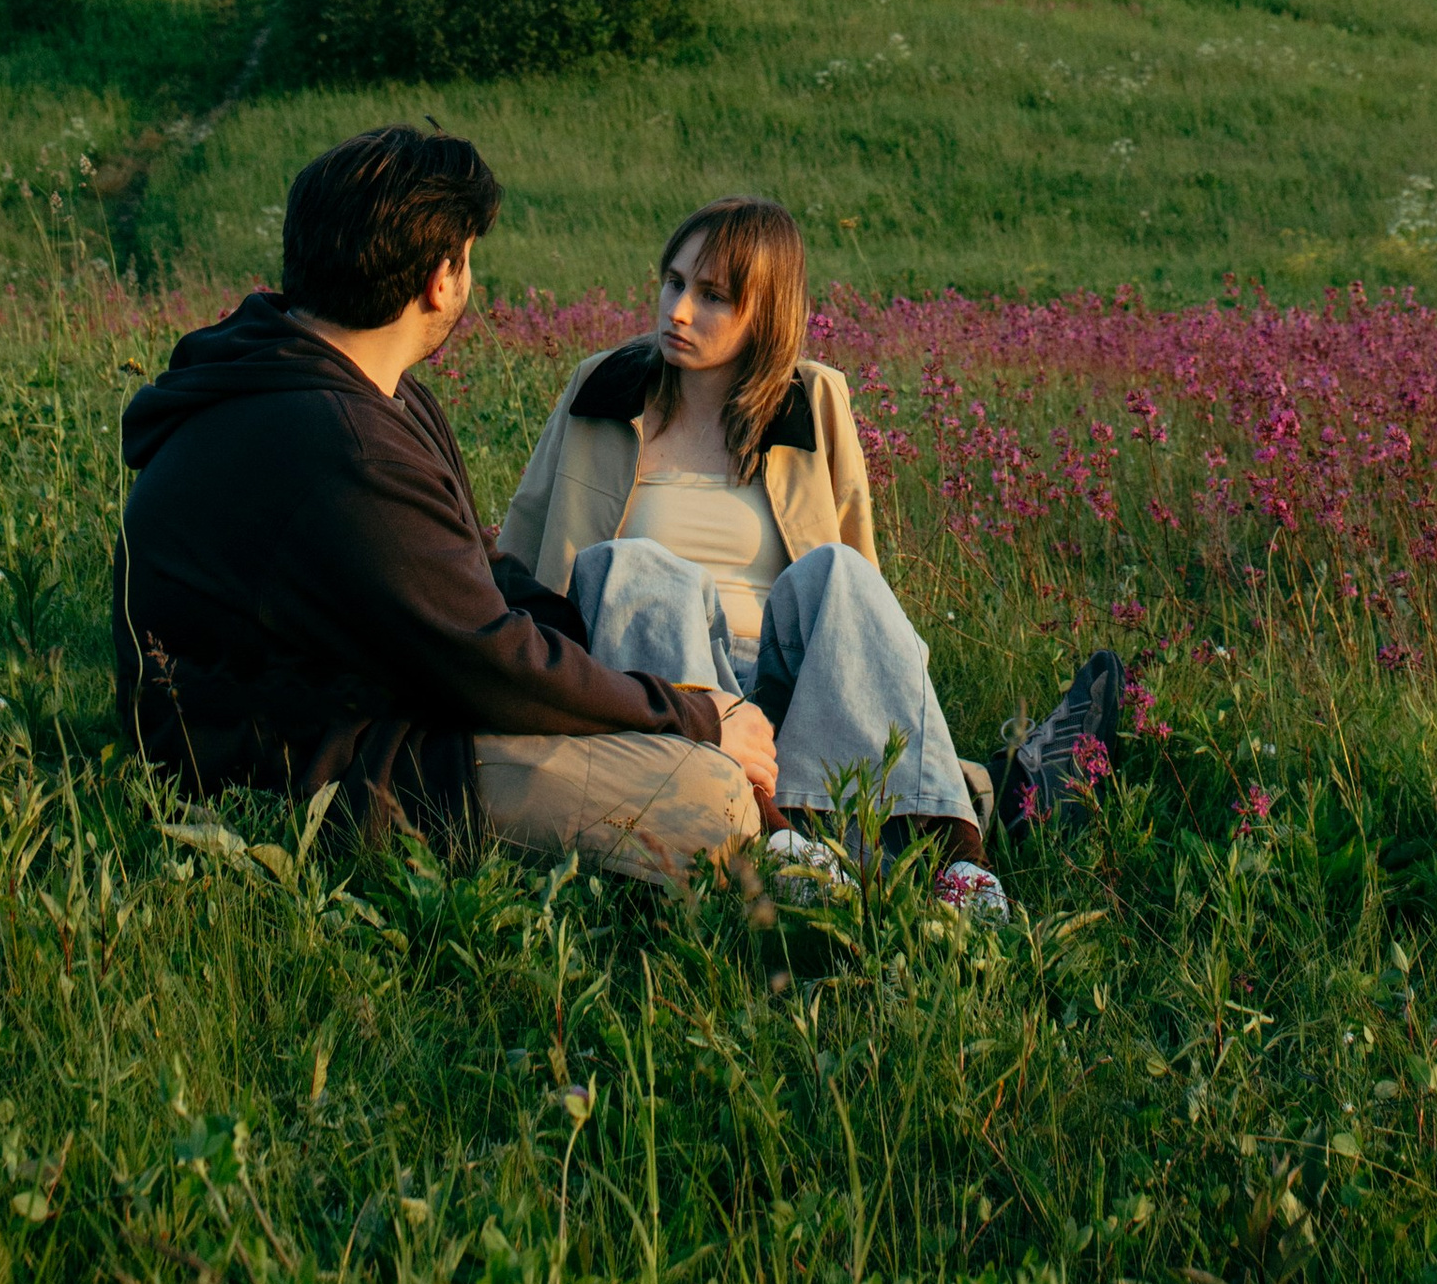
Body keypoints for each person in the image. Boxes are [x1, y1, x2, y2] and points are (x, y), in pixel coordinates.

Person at [112, 126, 772, 886]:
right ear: (440, 278)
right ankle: (799, 829)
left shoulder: (365, 390)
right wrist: (687, 717)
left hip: (385, 694)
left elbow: (485, 577)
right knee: (706, 796)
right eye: (467, 258)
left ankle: (838, 793)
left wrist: (636, 670)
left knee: (664, 653)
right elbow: (488, 660)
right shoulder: (342, 444)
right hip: (304, 758)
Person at [496, 197, 1011, 921]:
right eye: (673, 283)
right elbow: (521, 548)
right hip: (657, 677)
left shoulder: (814, 398)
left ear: (764, 312)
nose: (677, 311)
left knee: (837, 572)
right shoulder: (600, 389)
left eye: (712, 297)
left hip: (784, 685)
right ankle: (768, 833)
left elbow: (860, 583)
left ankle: (945, 856)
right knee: (636, 563)